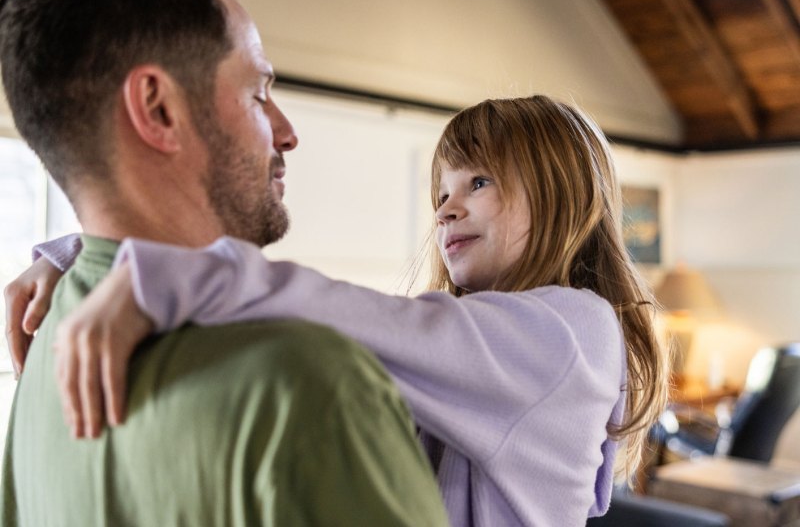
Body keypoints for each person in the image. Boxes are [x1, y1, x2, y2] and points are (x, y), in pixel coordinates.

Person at [7, 95, 670, 526]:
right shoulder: (487, 340)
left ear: (563, 194)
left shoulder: (570, 332)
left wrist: (150, 273)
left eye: (479, 182)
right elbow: (319, 318)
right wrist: (89, 255)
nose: (445, 207)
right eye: (441, 190)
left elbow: (349, 314)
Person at [0, 0, 451, 526]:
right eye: (260, 90)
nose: (286, 130)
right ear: (159, 110)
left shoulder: (43, 353)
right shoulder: (310, 391)